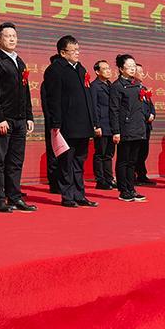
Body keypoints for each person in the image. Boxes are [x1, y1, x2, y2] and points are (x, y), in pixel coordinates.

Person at [0, 23, 37, 212]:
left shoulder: (19, 62)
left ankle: (15, 197)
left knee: (15, 160)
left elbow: (26, 90)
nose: (12, 39)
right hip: (4, 120)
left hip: (20, 119)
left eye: (14, 35)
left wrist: (29, 116)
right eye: (7, 36)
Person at [45, 35, 100, 207]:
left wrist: (93, 121)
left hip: (83, 124)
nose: (77, 53)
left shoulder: (81, 69)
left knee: (79, 162)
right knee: (66, 162)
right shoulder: (55, 70)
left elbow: (88, 98)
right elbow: (53, 99)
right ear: (63, 53)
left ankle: (79, 195)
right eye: (73, 50)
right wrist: (56, 123)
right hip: (66, 124)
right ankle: (68, 196)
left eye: (78, 49)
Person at [109, 55, 148, 202]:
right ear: (121, 69)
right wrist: (116, 131)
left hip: (138, 127)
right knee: (123, 160)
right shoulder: (117, 86)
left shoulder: (137, 84)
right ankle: (123, 190)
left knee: (133, 161)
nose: (133, 68)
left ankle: (131, 189)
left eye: (134, 66)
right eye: (129, 66)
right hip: (125, 128)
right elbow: (114, 110)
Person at [90, 60, 116, 190]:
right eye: (104, 69)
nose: (108, 70)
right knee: (100, 153)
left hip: (111, 124)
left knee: (109, 154)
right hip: (101, 124)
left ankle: (109, 178)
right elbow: (93, 107)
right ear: (97, 72)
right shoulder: (94, 86)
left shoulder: (111, 85)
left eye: (109, 68)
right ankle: (100, 181)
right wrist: (96, 125)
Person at [39, 54, 60, 194]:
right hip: (52, 124)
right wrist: (52, 122)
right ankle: (54, 183)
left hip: (66, 124)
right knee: (53, 153)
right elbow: (46, 106)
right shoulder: (46, 83)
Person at [133, 63, 157, 185]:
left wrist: (152, 114)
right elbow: (137, 107)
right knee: (135, 152)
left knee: (143, 151)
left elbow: (150, 104)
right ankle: (133, 176)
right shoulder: (132, 88)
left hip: (146, 126)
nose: (143, 74)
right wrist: (146, 116)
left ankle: (142, 175)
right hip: (138, 125)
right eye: (140, 72)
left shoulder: (143, 87)